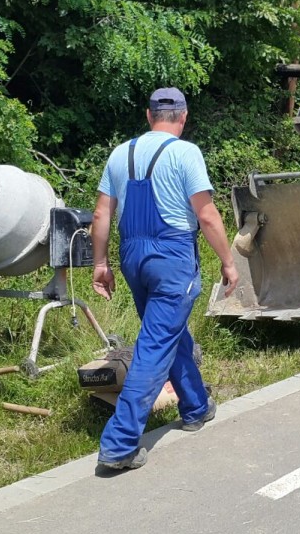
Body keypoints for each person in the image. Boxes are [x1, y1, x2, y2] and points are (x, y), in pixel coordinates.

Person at [91, 87, 238, 472]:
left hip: (133, 258)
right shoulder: (185, 153)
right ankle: (120, 443)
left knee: (167, 333)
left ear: (148, 115)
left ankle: (195, 406)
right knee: (154, 345)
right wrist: (228, 261)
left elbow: (101, 215)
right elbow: (206, 216)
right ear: (184, 117)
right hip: (171, 256)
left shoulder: (120, 153)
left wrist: (100, 263)